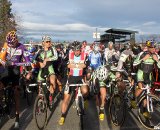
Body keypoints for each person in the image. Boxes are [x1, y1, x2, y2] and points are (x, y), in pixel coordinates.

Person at [0, 30, 30, 128]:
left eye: (12, 44)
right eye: (9, 44)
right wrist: (4, 62)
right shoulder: (6, 45)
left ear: (16, 40)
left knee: (16, 94)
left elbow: (28, 62)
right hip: (5, 70)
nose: (10, 46)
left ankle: (17, 117)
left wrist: (16, 63)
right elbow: (1, 58)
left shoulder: (22, 47)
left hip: (15, 72)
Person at [58, 41, 88, 125]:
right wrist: (68, 65)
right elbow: (63, 63)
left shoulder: (84, 55)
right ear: (73, 50)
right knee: (66, 98)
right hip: (71, 78)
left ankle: (84, 100)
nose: (77, 52)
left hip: (80, 77)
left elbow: (86, 64)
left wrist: (77, 65)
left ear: (81, 49)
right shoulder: (69, 55)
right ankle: (63, 116)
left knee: (85, 91)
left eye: (78, 50)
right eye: (75, 50)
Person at [133, 40, 160, 118]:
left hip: (149, 75)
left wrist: (157, 60)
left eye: (154, 47)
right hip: (141, 73)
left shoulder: (156, 55)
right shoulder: (142, 54)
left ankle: (145, 110)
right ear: (147, 48)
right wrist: (143, 59)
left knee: (147, 93)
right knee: (142, 88)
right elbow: (134, 63)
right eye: (151, 47)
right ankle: (134, 100)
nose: (152, 49)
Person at [35, 36, 58, 108]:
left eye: (49, 41)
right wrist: (39, 63)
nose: (49, 43)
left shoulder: (52, 49)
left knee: (52, 81)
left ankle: (51, 97)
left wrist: (48, 59)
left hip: (50, 69)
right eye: (47, 42)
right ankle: (40, 100)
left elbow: (56, 57)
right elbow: (34, 59)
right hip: (42, 70)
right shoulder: (39, 51)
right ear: (43, 43)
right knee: (40, 86)